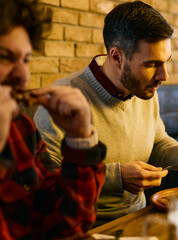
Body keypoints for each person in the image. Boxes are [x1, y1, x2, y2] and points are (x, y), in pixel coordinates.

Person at [34, 0, 178, 226]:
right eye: (151, 64)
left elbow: (157, 143)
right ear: (117, 57)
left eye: (166, 62)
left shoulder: (144, 90)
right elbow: (43, 182)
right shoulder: (62, 100)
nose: (164, 76)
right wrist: (115, 177)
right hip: (83, 227)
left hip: (139, 218)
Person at [0, 0, 107, 239]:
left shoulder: (20, 127)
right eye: (5, 56)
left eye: (26, 60)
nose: (22, 75)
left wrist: (80, 139)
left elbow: (63, 224)